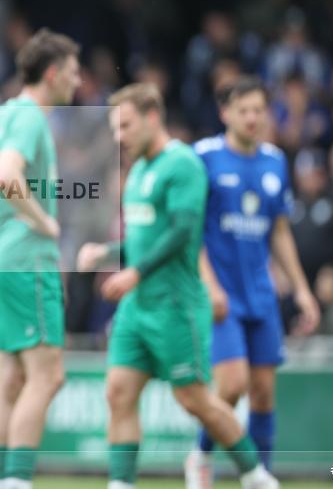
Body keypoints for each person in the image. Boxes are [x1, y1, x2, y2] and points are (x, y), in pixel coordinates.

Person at [76, 84, 278, 489]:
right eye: (116, 129)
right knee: (118, 391)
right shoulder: (138, 172)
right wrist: (106, 252)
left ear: (153, 117)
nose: (120, 137)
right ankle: (121, 484)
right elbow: (142, 241)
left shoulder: (183, 164)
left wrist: (135, 272)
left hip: (176, 304)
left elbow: (183, 231)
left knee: (195, 400)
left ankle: (256, 475)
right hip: (138, 306)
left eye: (127, 126)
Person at [186, 77, 320, 488]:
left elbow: (279, 231)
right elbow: (190, 231)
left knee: (262, 391)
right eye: (242, 110)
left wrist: (301, 288)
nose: (251, 118)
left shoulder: (275, 161)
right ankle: (201, 455)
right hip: (221, 295)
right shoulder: (203, 157)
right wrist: (209, 285)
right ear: (224, 112)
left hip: (260, 294)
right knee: (231, 385)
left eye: (258, 110)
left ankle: (259, 476)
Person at [0, 28, 80, 489]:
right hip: (28, 261)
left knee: (10, 377)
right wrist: (39, 221)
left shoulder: (6, 114)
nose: (78, 81)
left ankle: (2, 480)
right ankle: (16, 481)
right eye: (72, 72)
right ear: (51, 74)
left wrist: (4, 216)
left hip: (2, 258)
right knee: (46, 378)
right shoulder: (30, 117)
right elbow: (7, 176)